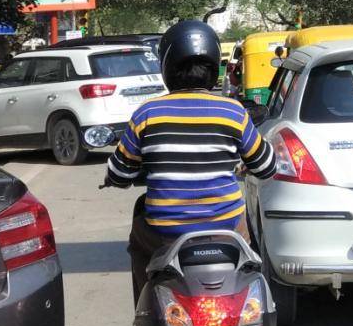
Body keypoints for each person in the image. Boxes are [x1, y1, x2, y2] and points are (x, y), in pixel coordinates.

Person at [105, 20, 277, 302]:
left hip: (165, 232)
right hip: (226, 227)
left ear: (168, 67)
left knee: (139, 244)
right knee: (251, 252)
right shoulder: (233, 111)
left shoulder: (148, 113)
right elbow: (266, 166)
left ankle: (145, 309)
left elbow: (120, 171)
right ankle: (253, 301)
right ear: (213, 68)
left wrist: (112, 178)